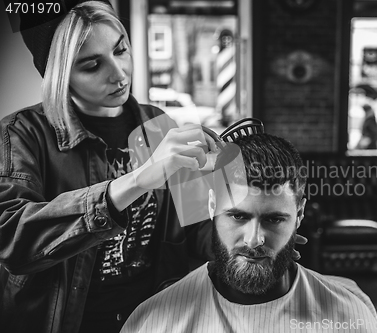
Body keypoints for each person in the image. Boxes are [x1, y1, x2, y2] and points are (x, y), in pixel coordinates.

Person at [0, 1, 219, 332]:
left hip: (153, 318)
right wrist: (137, 181)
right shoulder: (21, 134)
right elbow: (14, 241)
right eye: (92, 66)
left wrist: (246, 236)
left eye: (121, 50)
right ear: (60, 75)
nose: (119, 74)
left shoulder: (160, 125)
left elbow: (193, 227)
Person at [121, 133, 377, 333]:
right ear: (212, 206)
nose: (254, 239)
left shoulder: (349, 317)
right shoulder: (153, 322)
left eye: (274, 219)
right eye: (238, 216)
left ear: (300, 214)